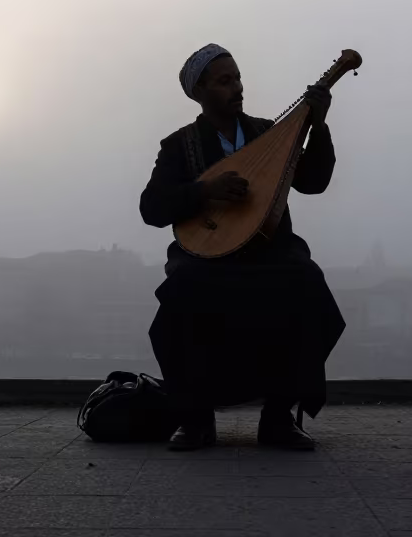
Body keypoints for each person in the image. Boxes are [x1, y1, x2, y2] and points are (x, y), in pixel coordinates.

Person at [140, 43, 346, 451]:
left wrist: (318, 126)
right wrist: (204, 190)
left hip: (271, 252)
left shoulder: (268, 132)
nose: (237, 88)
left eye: (237, 78)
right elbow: (152, 208)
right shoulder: (180, 146)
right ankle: (196, 420)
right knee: (182, 294)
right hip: (204, 255)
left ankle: (278, 418)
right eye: (224, 81)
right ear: (199, 92)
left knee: (307, 283)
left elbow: (313, 182)